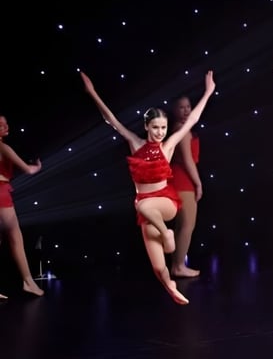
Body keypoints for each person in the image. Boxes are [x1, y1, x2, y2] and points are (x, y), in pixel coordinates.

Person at [80, 70, 215, 304]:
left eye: (163, 128)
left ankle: (167, 233)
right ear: (146, 126)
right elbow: (111, 120)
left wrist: (208, 92)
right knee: (159, 267)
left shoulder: (168, 146)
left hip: (165, 203)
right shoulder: (135, 144)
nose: (160, 132)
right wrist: (92, 93)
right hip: (147, 212)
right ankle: (172, 287)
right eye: (155, 128)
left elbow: (192, 119)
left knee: (142, 205)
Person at [0, 116, 44, 299]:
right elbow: (28, 170)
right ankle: (28, 282)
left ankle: (28, 282)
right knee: (15, 237)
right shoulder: (3, 147)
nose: (5, 126)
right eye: (0, 124)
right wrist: (37, 167)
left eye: (5, 123)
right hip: (1, 193)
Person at [169, 96, 202, 278]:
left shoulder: (182, 129)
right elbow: (188, 161)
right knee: (187, 224)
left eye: (188, 106)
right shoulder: (181, 130)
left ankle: (177, 264)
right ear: (175, 110)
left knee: (182, 225)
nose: (186, 110)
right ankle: (179, 266)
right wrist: (198, 183)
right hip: (183, 180)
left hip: (181, 179)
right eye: (181, 107)